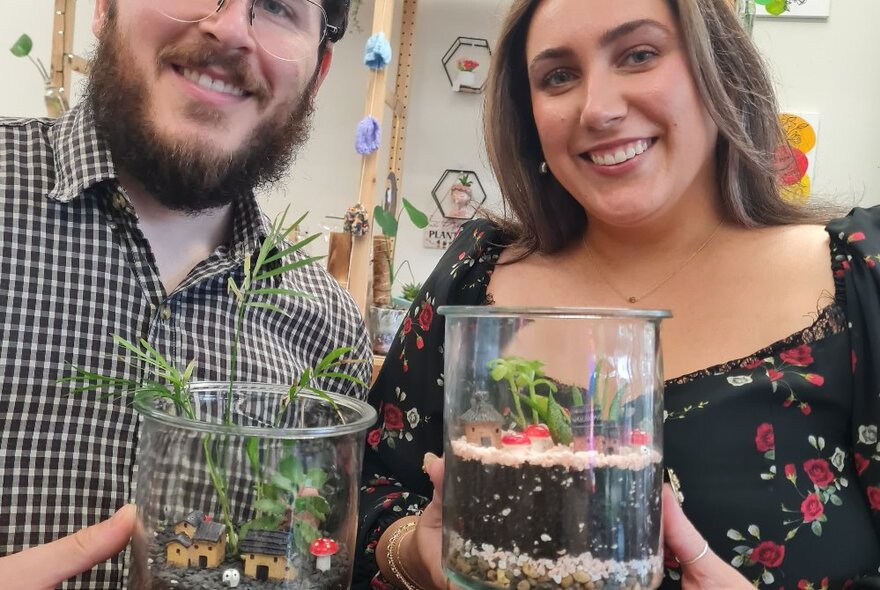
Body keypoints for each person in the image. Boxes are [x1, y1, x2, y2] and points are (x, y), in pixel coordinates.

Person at [356, 0, 880, 588]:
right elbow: (368, 490)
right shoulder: (476, 274)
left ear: (719, 71)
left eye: (639, 55)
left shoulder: (857, 274)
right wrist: (419, 555)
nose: (598, 109)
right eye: (558, 76)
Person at [0, 0, 370, 587]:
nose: (229, 29)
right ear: (103, 7)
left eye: (276, 6)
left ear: (319, 73)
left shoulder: (330, 329)